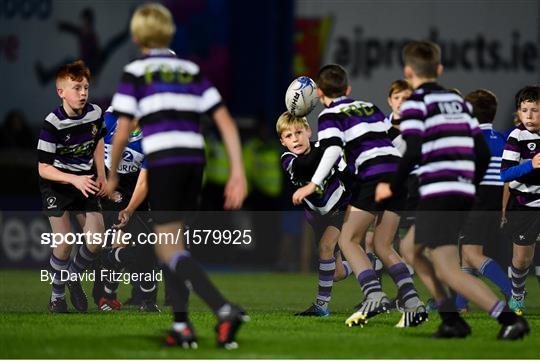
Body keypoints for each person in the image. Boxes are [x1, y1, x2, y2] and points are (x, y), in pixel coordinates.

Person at [105, 3, 248, 349]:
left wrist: (111, 176)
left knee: (167, 249)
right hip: (194, 161)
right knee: (175, 245)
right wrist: (237, 172)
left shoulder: (136, 71)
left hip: (165, 161)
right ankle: (182, 325)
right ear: (169, 33)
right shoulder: (190, 69)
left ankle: (224, 308)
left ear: (138, 36)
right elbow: (225, 121)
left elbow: (122, 130)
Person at [375, 40, 529, 339]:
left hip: (438, 193)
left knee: (448, 267)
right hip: (458, 192)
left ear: (408, 72)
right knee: (410, 249)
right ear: (440, 69)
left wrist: (390, 187)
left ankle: (507, 318)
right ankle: (450, 317)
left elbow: (413, 148)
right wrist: (467, 187)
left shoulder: (417, 102)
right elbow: (482, 154)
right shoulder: (458, 103)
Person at [292, 64, 426, 328]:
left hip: (373, 177)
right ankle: (413, 304)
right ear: (348, 89)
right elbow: (392, 141)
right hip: (397, 177)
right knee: (384, 245)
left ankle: (373, 295)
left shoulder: (329, 115)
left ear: (319, 92)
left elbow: (331, 150)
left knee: (348, 239)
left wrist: (312, 184)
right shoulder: (370, 107)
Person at [37, 60, 106, 313]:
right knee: (65, 243)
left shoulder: (95, 113)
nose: (83, 93)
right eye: (77, 88)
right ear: (61, 92)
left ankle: (72, 277)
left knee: (96, 241)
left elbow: (98, 140)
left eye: (86, 87)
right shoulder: (52, 123)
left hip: (85, 181)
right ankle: (57, 297)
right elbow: (43, 168)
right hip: (57, 185)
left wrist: (102, 175)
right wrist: (74, 179)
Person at [276, 111, 352, 316]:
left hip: (340, 208)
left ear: (309, 131)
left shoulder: (326, 148)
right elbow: (305, 165)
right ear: (282, 142)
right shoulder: (288, 159)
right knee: (336, 273)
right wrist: (332, 146)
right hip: (316, 216)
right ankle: (367, 261)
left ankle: (321, 306)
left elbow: (348, 172)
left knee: (325, 247)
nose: (295, 139)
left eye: (299, 132)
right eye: (289, 136)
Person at [92, 107, 159, 312]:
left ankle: (141, 299)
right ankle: (107, 296)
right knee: (119, 241)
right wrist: (102, 183)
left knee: (143, 247)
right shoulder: (108, 119)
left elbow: (144, 182)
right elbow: (90, 151)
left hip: (135, 196)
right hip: (107, 190)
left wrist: (129, 209)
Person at [453, 89, 511, 312]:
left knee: (471, 254)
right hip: (496, 202)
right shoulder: (504, 139)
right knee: (468, 254)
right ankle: (460, 304)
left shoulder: (470, 140)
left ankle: (513, 291)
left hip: (476, 202)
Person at [500, 85, 540, 315]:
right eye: (524, 110)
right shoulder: (516, 136)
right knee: (523, 259)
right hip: (524, 205)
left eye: (534, 110)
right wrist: (529, 165)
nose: (528, 115)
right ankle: (517, 294)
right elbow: (505, 174)